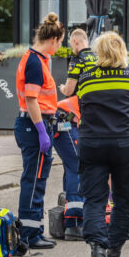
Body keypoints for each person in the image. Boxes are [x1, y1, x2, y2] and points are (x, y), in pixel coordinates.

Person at [77, 32, 129, 257]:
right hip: (126, 145)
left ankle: (97, 249)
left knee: (95, 199)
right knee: (123, 198)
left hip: (93, 143)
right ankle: (114, 252)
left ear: (99, 51)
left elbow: (81, 105)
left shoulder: (86, 77)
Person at [14, 12, 65, 249]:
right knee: (33, 181)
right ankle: (28, 234)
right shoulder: (35, 61)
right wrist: (41, 130)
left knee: (37, 180)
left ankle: (34, 229)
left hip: (35, 124)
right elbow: (32, 99)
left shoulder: (37, 59)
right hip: (34, 125)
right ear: (53, 40)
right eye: (60, 42)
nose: (60, 46)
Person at [52, 95, 83, 240]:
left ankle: (69, 216)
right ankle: (74, 223)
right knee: (77, 167)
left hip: (63, 120)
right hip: (66, 120)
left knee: (72, 166)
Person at [60, 28, 97, 97]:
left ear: (75, 41)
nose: (72, 50)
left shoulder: (77, 60)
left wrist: (62, 87)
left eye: (71, 46)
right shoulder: (99, 57)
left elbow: (68, 91)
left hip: (83, 102)